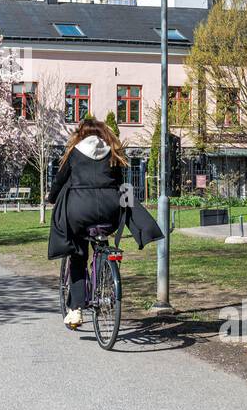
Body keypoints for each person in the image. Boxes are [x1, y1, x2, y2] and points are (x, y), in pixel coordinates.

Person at [48, 117, 162, 329]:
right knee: (101, 241)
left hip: (79, 210)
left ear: (80, 134)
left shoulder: (74, 153)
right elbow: (120, 184)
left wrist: (52, 198)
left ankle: (76, 309)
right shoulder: (112, 153)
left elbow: (60, 180)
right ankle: (104, 278)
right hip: (110, 210)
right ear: (103, 134)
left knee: (78, 255)